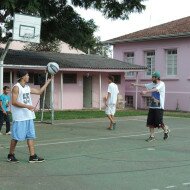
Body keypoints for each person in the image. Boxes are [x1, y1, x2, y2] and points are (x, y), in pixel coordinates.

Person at [7, 70, 53, 163]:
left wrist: (48, 81)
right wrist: (28, 106)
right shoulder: (16, 87)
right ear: (23, 76)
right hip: (20, 117)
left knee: (30, 136)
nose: (28, 77)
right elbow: (14, 102)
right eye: (27, 75)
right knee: (16, 137)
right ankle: (10, 155)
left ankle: (32, 156)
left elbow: (39, 92)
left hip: (29, 116)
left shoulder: (27, 87)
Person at [131, 71, 170, 142]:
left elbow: (156, 89)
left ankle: (166, 130)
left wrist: (146, 92)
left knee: (159, 123)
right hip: (152, 106)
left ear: (157, 78)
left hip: (159, 107)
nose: (151, 78)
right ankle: (152, 136)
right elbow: (145, 85)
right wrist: (135, 84)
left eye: (153, 77)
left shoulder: (162, 84)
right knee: (150, 123)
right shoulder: (152, 84)